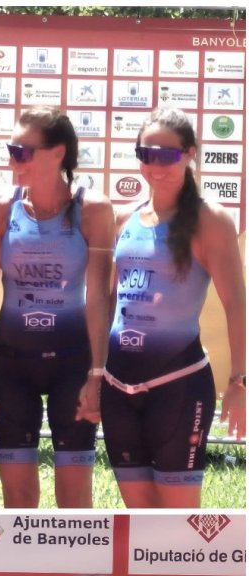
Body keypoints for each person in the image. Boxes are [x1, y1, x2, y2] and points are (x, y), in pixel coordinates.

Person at [0, 107, 114, 509]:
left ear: (57, 153)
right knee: (17, 496)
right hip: (11, 366)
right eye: (10, 150)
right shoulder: (0, 207)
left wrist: (97, 374)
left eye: (22, 151)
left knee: (75, 498)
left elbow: (99, 298)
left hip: (72, 363)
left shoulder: (93, 209)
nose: (13, 160)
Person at [101, 107, 246, 508]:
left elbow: (236, 304)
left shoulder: (210, 220)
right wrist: (95, 373)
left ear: (189, 154)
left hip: (178, 386)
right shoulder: (124, 218)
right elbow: (108, 301)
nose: (155, 165)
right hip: (118, 387)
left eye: (166, 155)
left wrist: (239, 383)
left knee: (179, 523)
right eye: (146, 154)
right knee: (139, 517)